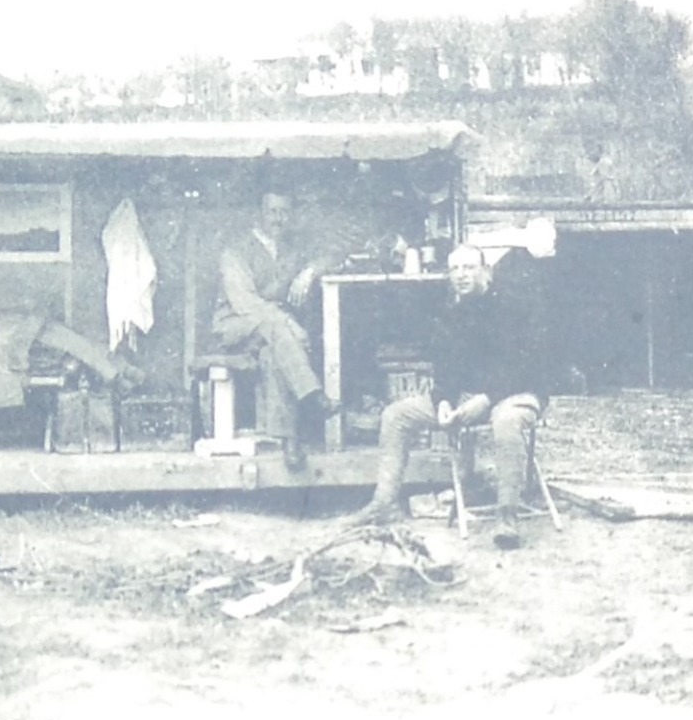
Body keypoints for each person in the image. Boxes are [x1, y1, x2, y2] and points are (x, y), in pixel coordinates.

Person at [353, 242, 551, 548]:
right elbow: (445, 370)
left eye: (469, 267)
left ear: (486, 272)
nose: (461, 275)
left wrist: (486, 398)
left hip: (515, 394)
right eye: (455, 268)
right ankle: (384, 504)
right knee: (395, 415)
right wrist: (443, 401)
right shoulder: (451, 315)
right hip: (467, 400)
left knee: (506, 423)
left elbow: (527, 365)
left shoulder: (515, 307)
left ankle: (507, 515)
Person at [211, 189, 340, 470]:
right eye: (272, 211)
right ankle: (312, 395)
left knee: (274, 353)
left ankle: (290, 443)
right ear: (259, 213)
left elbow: (332, 255)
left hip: (274, 336)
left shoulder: (291, 250)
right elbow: (246, 303)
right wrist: (289, 323)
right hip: (235, 328)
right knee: (276, 327)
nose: (278, 219)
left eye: (284, 212)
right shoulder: (235, 251)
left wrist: (311, 271)